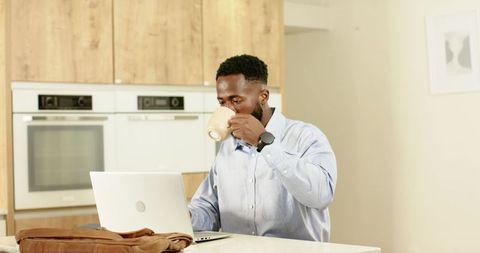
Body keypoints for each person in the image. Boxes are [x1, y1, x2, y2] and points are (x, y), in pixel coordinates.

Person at [188, 54, 337, 241]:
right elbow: (209, 210)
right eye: (222, 102)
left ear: (263, 96)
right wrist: (187, 217)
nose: (229, 110)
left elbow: (320, 195)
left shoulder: (306, 136)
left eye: (236, 100)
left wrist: (263, 142)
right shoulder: (227, 149)